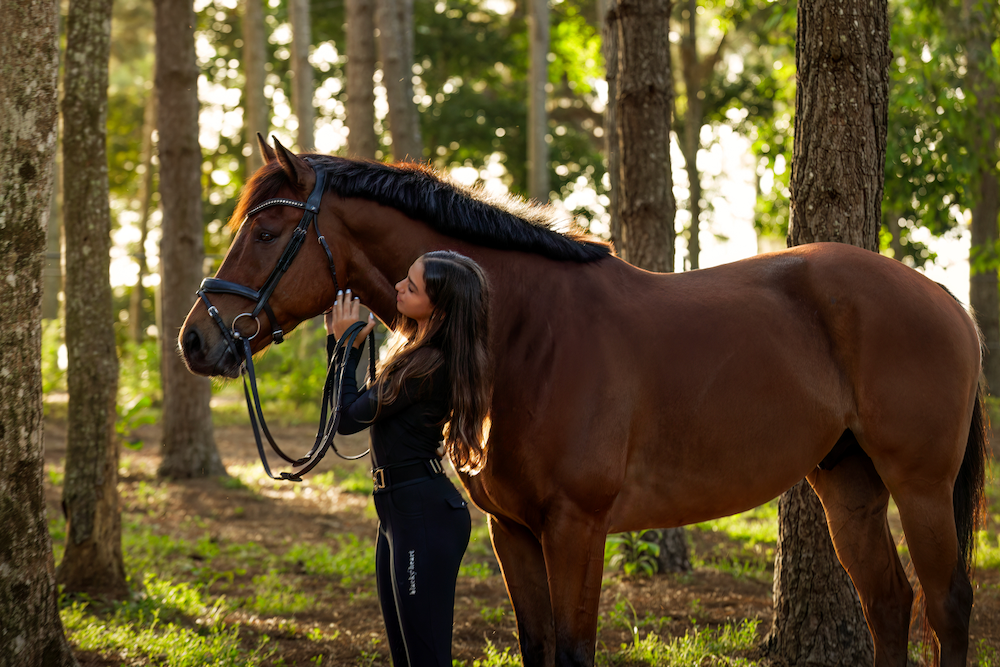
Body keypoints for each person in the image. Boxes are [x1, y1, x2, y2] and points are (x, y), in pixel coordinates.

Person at [325, 250, 492, 667]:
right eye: (406, 278)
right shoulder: (416, 351)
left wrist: (343, 343)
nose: (398, 286)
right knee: (407, 657)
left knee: (426, 659)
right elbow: (359, 409)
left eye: (412, 286)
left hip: (423, 516)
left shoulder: (427, 364)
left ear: (439, 307)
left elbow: (346, 419)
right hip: (400, 511)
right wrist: (342, 344)